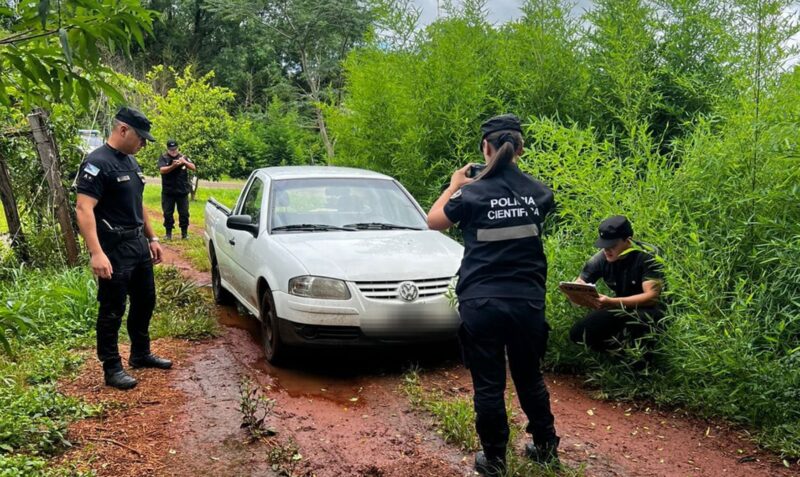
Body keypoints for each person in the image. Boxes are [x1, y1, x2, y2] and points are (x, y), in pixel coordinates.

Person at [428, 114, 560, 476]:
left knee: (489, 384)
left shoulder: (470, 193)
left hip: (481, 302)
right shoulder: (540, 192)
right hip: (527, 301)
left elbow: (433, 219)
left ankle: (495, 461)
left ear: (484, 148)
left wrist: (455, 184)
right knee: (529, 377)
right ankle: (547, 450)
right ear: (520, 148)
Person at [75, 107, 172, 390]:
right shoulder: (97, 163)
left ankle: (140, 353)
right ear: (122, 130)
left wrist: (152, 238)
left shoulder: (131, 162)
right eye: (141, 138)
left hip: (137, 244)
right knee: (112, 308)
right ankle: (112, 366)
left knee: (145, 300)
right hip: (113, 248)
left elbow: (138, 203)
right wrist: (96, 252)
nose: (143, 144)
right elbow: (83, 208)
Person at [569, 215, 665, 353]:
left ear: (628, 241)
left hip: (650, 310)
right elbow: (581, 281)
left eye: (611, 246)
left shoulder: (647, 256)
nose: (607, 250)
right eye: (603, 246)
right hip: (620, 306)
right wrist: (575, 291)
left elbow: (652, 297)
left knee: (639, 323)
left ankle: (641, 366)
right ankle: (619, 356)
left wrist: (611, 302)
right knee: (578, 334)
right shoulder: (601, 258)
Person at [157, 139, 195, 240]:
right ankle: (168, 234)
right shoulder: (163, 157)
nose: (173, 151)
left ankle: (184, 233)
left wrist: (184, 162)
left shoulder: (183, 157)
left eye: (175, 149)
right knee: (167, 213)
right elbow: (162, 170)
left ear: (178, 148)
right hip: (168, 191)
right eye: (171, 150)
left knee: (184, 213)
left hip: (182, 191)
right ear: (167, 149)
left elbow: (193, 167)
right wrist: (173, 166)